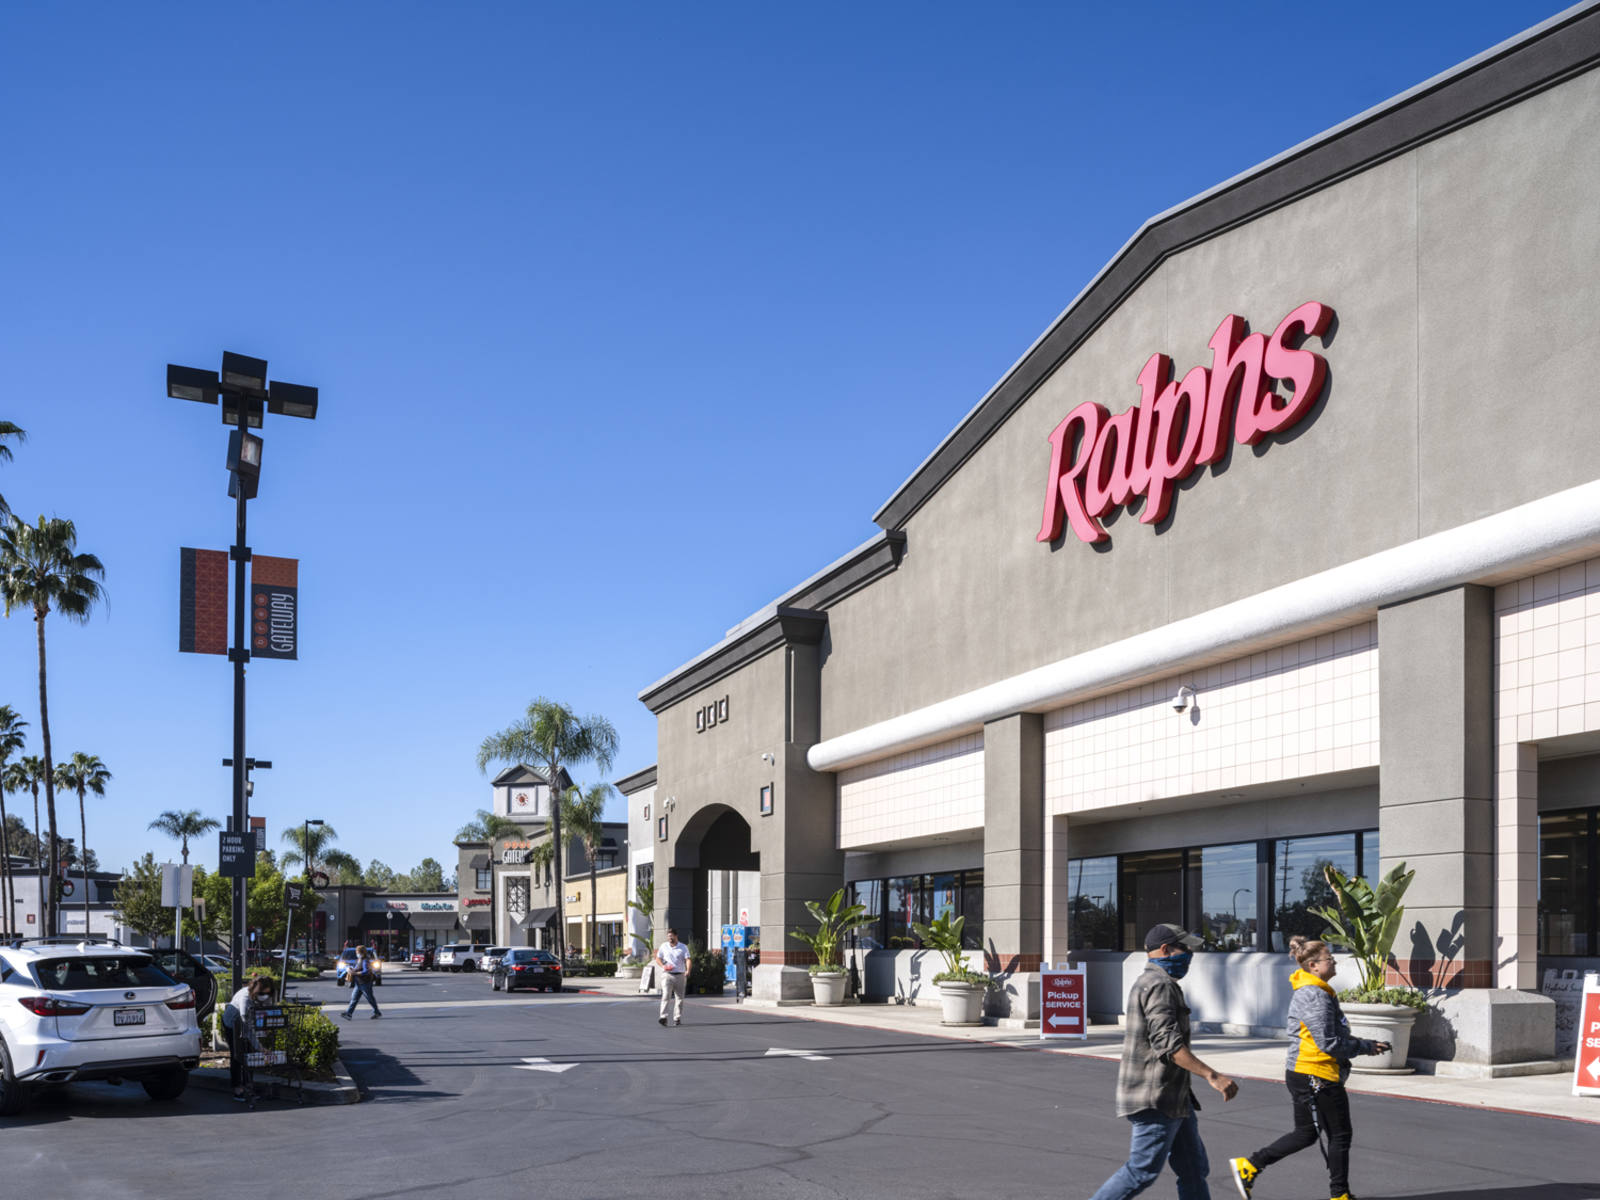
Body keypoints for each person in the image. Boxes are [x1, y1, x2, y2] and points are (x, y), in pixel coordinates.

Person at [1227, 935, 1389, 1200]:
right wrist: (1364, 1047)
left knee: (1307, 1133)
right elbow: (1328, 1043)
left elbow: (1327, 1037)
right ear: (1313, 965)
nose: (1334, 961)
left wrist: (1365, 1044)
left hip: (1306, 1072)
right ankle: (1340, 1195)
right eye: (1329, 958)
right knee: (1340, 1134)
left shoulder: (1315, 990)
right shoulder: (1315, 995)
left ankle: (1250, 1165)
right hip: (1316, 1072)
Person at [1087, 923, 1240, 1200]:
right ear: (1166, 950)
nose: (1190, 956)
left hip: (1174, 1098)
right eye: (1186, 949)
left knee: (1194, 1168)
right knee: (1141, 1171)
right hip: (1156, 1097)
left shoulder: (1153, 982)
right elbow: (1168, 1044)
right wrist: (1212, 1076)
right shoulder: (1159, 985)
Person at [222, 976, 273, 1102]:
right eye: (262, 993)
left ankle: (249, 1086)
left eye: (268, 993)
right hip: (232, 1023)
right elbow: (247, 1029)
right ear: (256, 990)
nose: (265, 996)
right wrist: (260, 1047)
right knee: (237, 1055)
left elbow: (267, 1010)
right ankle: (237, 1089)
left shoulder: (264, 995)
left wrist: (265, 1025)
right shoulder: (245, 998)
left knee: (249, 1055)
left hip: (247, 1022)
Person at [655, 928, 691, 1026]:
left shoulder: (683, 947)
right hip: (667, 975)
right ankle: (663, 1017)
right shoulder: (664, 946)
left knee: (679, 998)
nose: (670, 938)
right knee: (665, 995)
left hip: (680, 975)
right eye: (668, 936)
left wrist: (688, 970)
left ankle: (677, 1018)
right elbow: (658, 958)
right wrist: (663, 966)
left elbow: (688, 959)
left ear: (676, 936)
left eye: (671, 936)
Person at [343, 945, 383, 1020]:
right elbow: (357, 968)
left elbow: (366, 971)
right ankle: (349, 1013)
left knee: (370, 998)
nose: (356, 953)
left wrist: (354, 973)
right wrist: (351, 969)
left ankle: (377, 1012)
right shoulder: (360, 960)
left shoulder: (365, 960)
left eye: (357, 952)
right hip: (359, 983)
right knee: (354, 998)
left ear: (361, 952)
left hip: (365, 983)